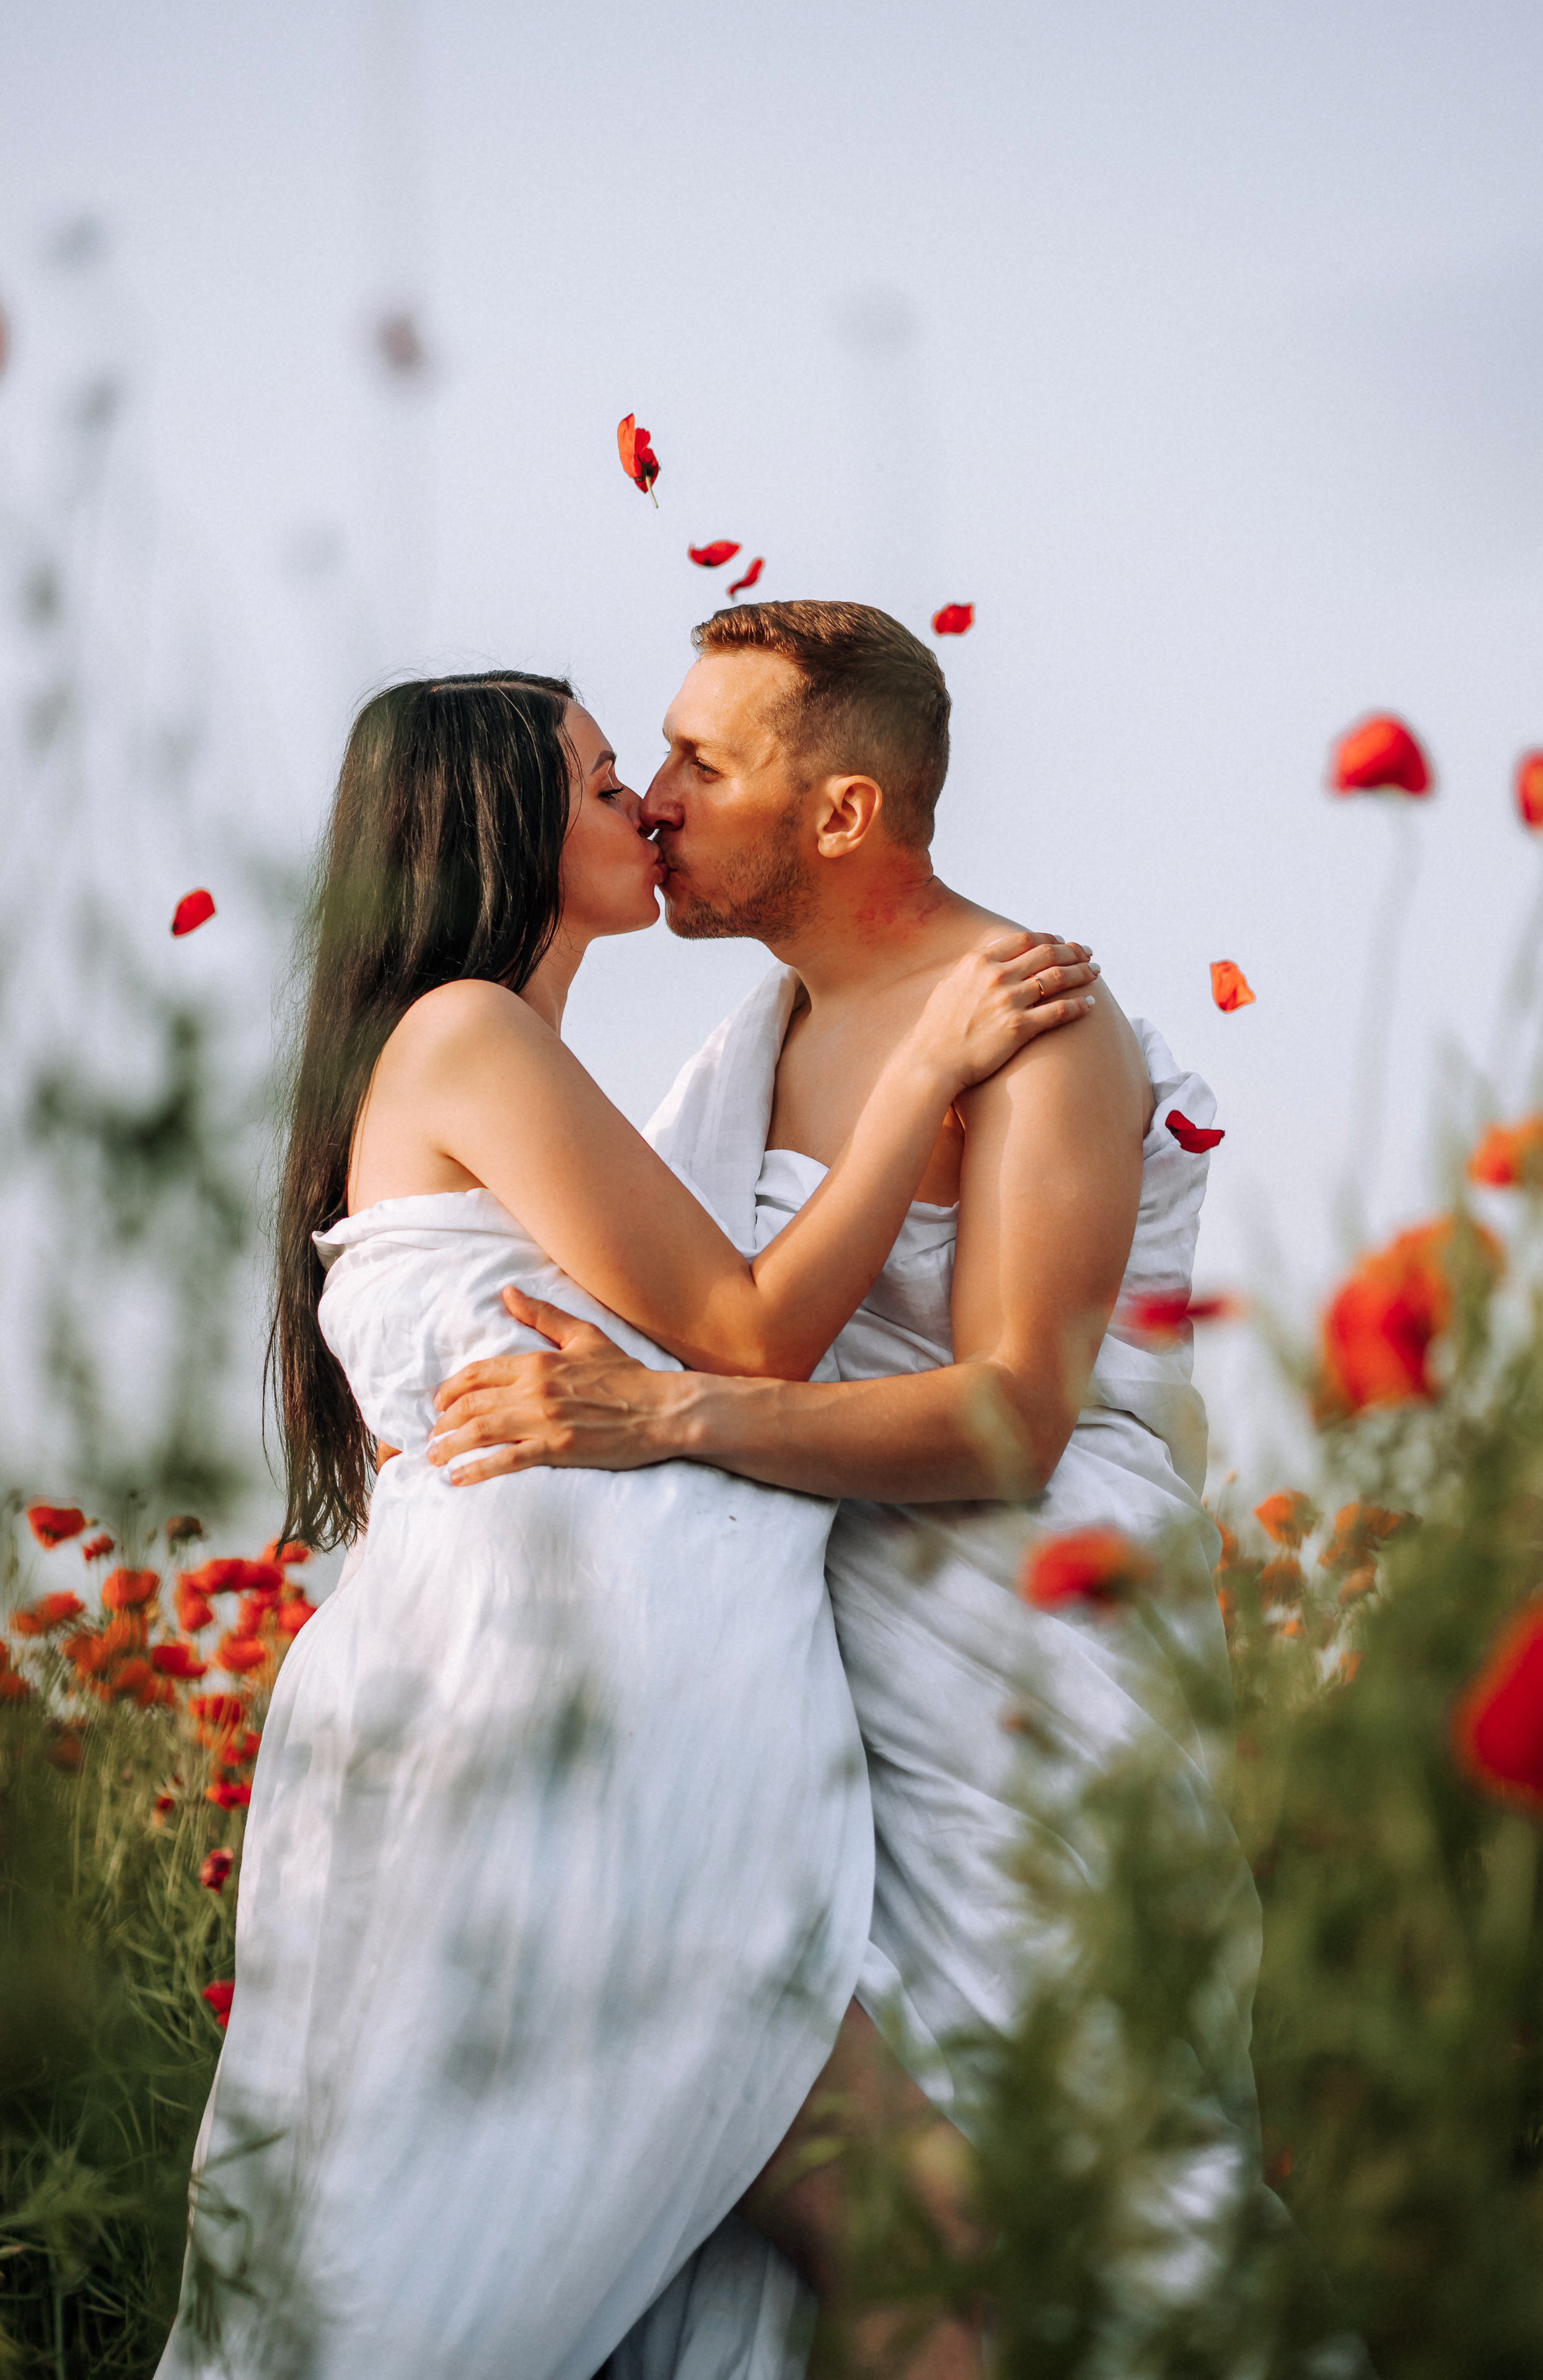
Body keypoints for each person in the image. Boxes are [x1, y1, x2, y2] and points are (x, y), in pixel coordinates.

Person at [154, 670, 1093, 2380]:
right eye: (604, 783)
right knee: (922, 2251)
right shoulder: (470, 1032)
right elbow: (749, 1334)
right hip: (571, 1775)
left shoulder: (510, 1058)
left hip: (617, 1763)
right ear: (506, 824)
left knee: (887, 2257)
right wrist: (927, 1073)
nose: (646, 805)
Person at [426, 606, 1265, 2378]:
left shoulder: (1035, 1018)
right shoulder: (746, 1046)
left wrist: (664, 1422)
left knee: (1089, 2176)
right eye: (648, 758)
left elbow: (1010, 1423)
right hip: (807, 1710)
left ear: (842, 816)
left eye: (699, 765)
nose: (651, 803)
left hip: (1026, 1679)